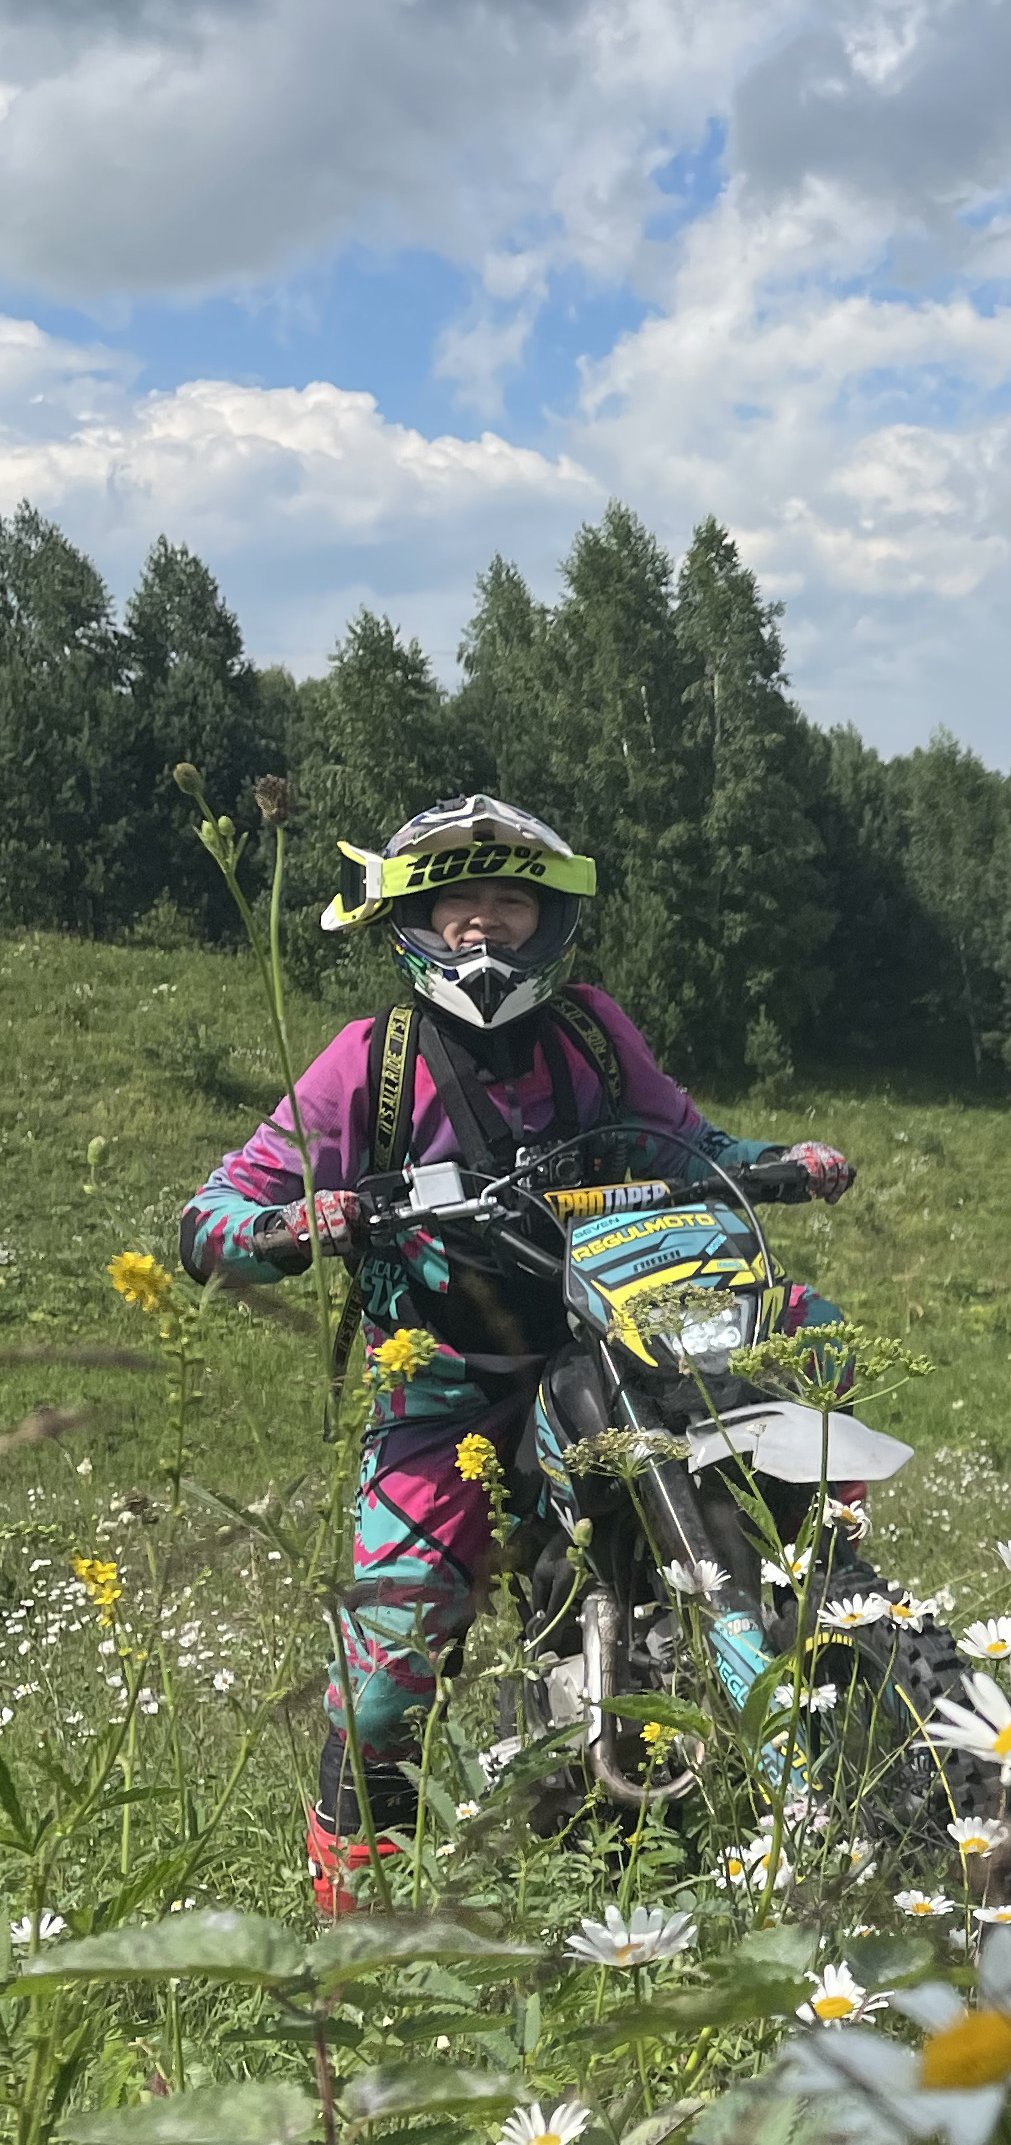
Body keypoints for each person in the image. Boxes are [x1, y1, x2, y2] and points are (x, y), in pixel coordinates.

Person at [178, 794, 856, 1912]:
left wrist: (780, 1159)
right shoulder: (370, 1062)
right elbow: (217, 1209)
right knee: (392, 1660)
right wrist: (296, 1224)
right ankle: (359, 1928)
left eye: (507, 902)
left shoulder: (592, 1031)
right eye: (459, 906)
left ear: (547, 923)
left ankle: (690, 1786)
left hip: (608, 1351)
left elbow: (687, 1142)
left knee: (724, 1522)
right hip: (442, 1385)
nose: (483, 927)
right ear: (417, 922)